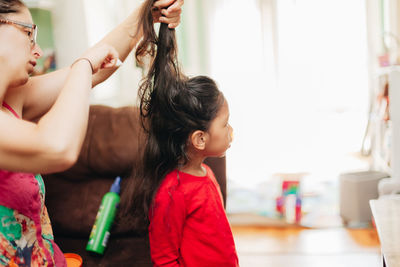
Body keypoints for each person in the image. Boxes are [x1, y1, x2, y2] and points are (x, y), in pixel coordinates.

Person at [0, 0, 183, 266]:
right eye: (28, 33)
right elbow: (55, 146)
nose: (37, 49)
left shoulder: (13, 100)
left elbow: (94, 71)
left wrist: (146, 14)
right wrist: (83, 66)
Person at [122, 1, 239, 266]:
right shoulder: (172, 193)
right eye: (225, 124)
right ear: (200, 138)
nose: (231, 131)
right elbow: (164, 258)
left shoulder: (206, 172)